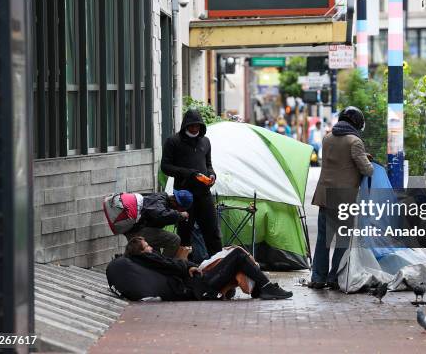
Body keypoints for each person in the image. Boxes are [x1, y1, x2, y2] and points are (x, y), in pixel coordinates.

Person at [309, 106, 374, 290]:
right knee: (343, 240)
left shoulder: (327, 138)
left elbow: (340, 160)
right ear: (356, 123)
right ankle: (334, 277)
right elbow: (367, 169)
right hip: (344, 199)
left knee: (323, 240)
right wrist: (367, 160)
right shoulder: (355, 141)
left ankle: (318, 278)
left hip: (325, 196)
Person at [124, 236, 293, 300]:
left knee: (235, 256)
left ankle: (261, 289)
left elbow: (172, 266)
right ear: (140, 252)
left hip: (199, 283)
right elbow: (172, 265)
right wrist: (189, 267)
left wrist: (189, 267)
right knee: (237, 255)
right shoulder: (148, 258)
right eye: (146, 246)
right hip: (202, 286)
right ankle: (266, 287)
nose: (151, 248)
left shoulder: (147, 258)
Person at [161, 109, 223, 257]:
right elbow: (165, 167)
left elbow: (208, 164)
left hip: (204, 193)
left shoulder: (205, 141)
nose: (195, 128)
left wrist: (212, 175)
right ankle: (185, 266)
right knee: (185, 232)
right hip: (184, 195)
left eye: (198, 125)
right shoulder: (173, 141)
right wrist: (189, 173)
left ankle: (219, 263)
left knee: (213, 231)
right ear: (185, 125)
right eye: (192, 125)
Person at [124, 190, 193, 258]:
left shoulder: (163, 202)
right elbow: (161, 214)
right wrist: (180, 215)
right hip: (136, 230)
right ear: (176, 203)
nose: (179, 210)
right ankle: (163, 266)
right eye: (180, 209)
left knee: (155, 254)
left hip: (139, 229)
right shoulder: (159, 199)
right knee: (174, 239)